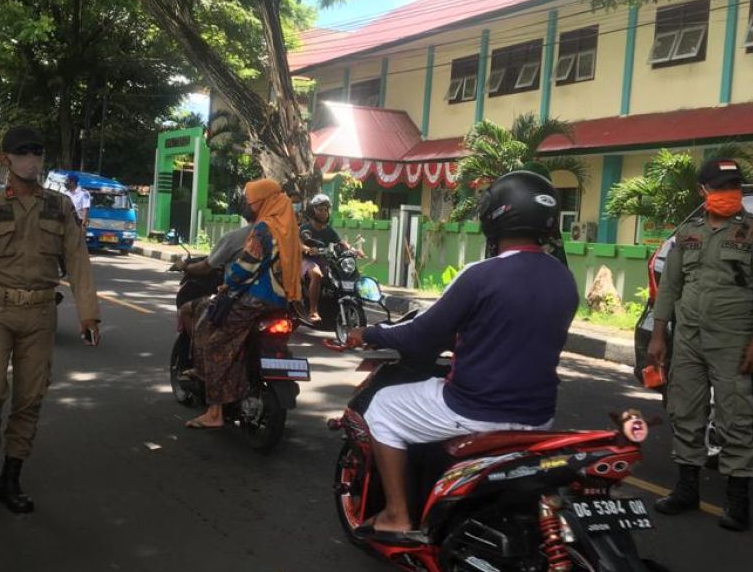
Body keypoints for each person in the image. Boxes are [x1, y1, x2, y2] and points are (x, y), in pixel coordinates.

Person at [343, 171, 578, 537]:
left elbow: (422, 336)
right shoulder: (564, 279)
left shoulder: (481, 275)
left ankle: (397, 514)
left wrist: (370, 332)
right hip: (538, 416)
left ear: (496, 215)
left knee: (383, 408)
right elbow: (516, 334)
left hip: (474, 411)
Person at [0, 127, 101, 518]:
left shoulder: (59, 206)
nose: (33, 160)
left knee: (29, 398)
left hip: (41, 313)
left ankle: (12, 477)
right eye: (23, 153)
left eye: (38, 153)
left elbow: (78, 260)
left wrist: (89, 313)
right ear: (5, 160)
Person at [647, 157, 753, 532]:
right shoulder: (688, 231)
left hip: (734, 340)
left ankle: (738, 502)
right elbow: (670, 286)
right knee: (684, 412)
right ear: (703, 191)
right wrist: (660, 335)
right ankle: (686, 489)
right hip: (688, 338)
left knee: (735, 418)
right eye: (721, 187)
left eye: (734, 186)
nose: (729, 193)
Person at [184, 178, 301, 430]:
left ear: (263, 202)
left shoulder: (263, 228)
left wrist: (228, 283)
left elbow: (246, 265)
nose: (247, 205)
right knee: (231, 339)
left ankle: (214, 412)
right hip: (280, 301)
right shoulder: (288, 226)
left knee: (215, 343)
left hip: (254, 301)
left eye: (250, 201)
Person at [299, 193, 360, 322]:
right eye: (320, 209)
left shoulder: (328, 231)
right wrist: (308, 249)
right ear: (313, 210)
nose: (324, 213)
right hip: (306, 260)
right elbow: (298, 244)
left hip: (324, 260)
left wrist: (353, 250)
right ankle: (313, 311)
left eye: (326, 210)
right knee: (316, 274)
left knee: (341, 273)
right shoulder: (305, 229)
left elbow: (341, 242)